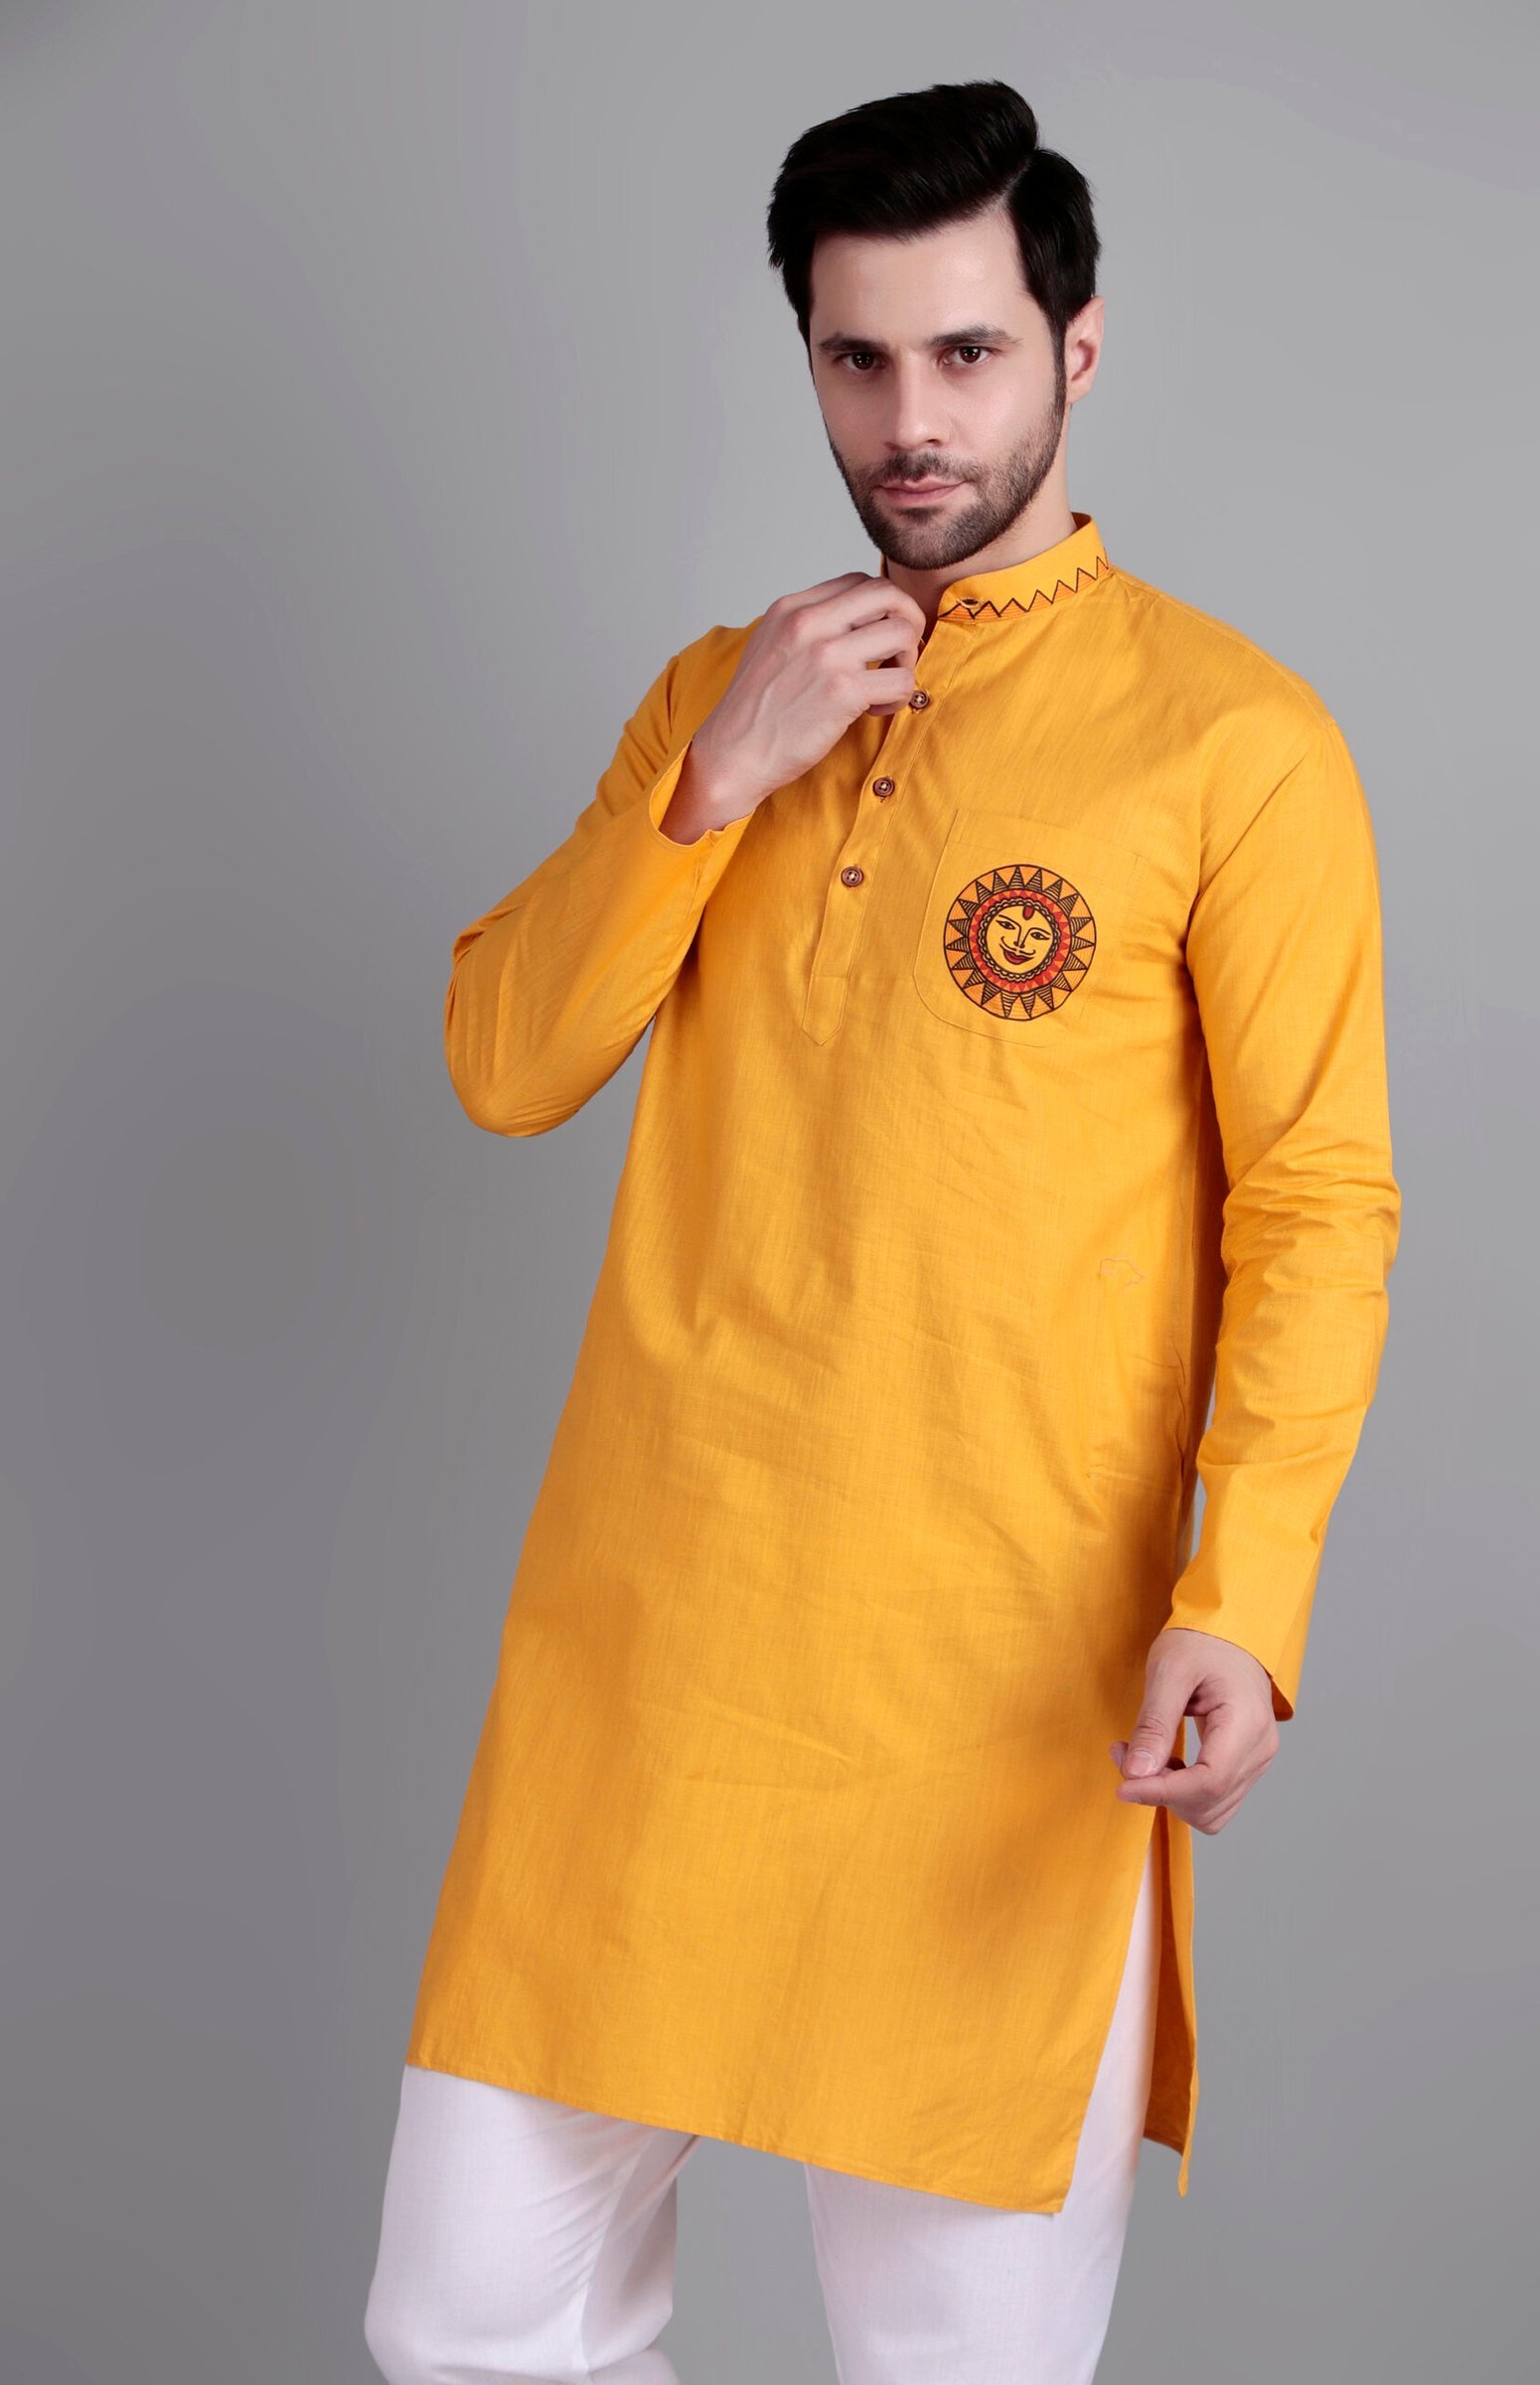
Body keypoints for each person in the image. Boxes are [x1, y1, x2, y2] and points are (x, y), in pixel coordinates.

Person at [365, 76, 1400, 2385]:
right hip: (649, 1666)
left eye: (963, 353)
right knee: (463, 2322)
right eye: (855, 359)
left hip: (995, 1701)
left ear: (1076, 348)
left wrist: (1246, 1599)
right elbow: (502, 1064)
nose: (908, 420)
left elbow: (1317, 1205)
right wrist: (713, 780)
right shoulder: (717, 697)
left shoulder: (1227, 740)